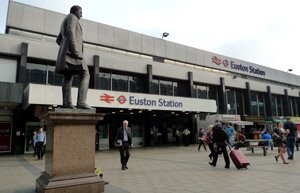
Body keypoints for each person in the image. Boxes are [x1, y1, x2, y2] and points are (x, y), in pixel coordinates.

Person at [56, 5, 91, 109]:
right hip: (73, 53)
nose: (82, 14)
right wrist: (74, 49)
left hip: (67, 52)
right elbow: (70, 32)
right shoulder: (72, 17)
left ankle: (67, 103)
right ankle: (81, 102)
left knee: (68, 76)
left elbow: (58, 39)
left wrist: (64, 47)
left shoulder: (65, 19)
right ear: (75, 11)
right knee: (86, 74)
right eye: (81, 11)